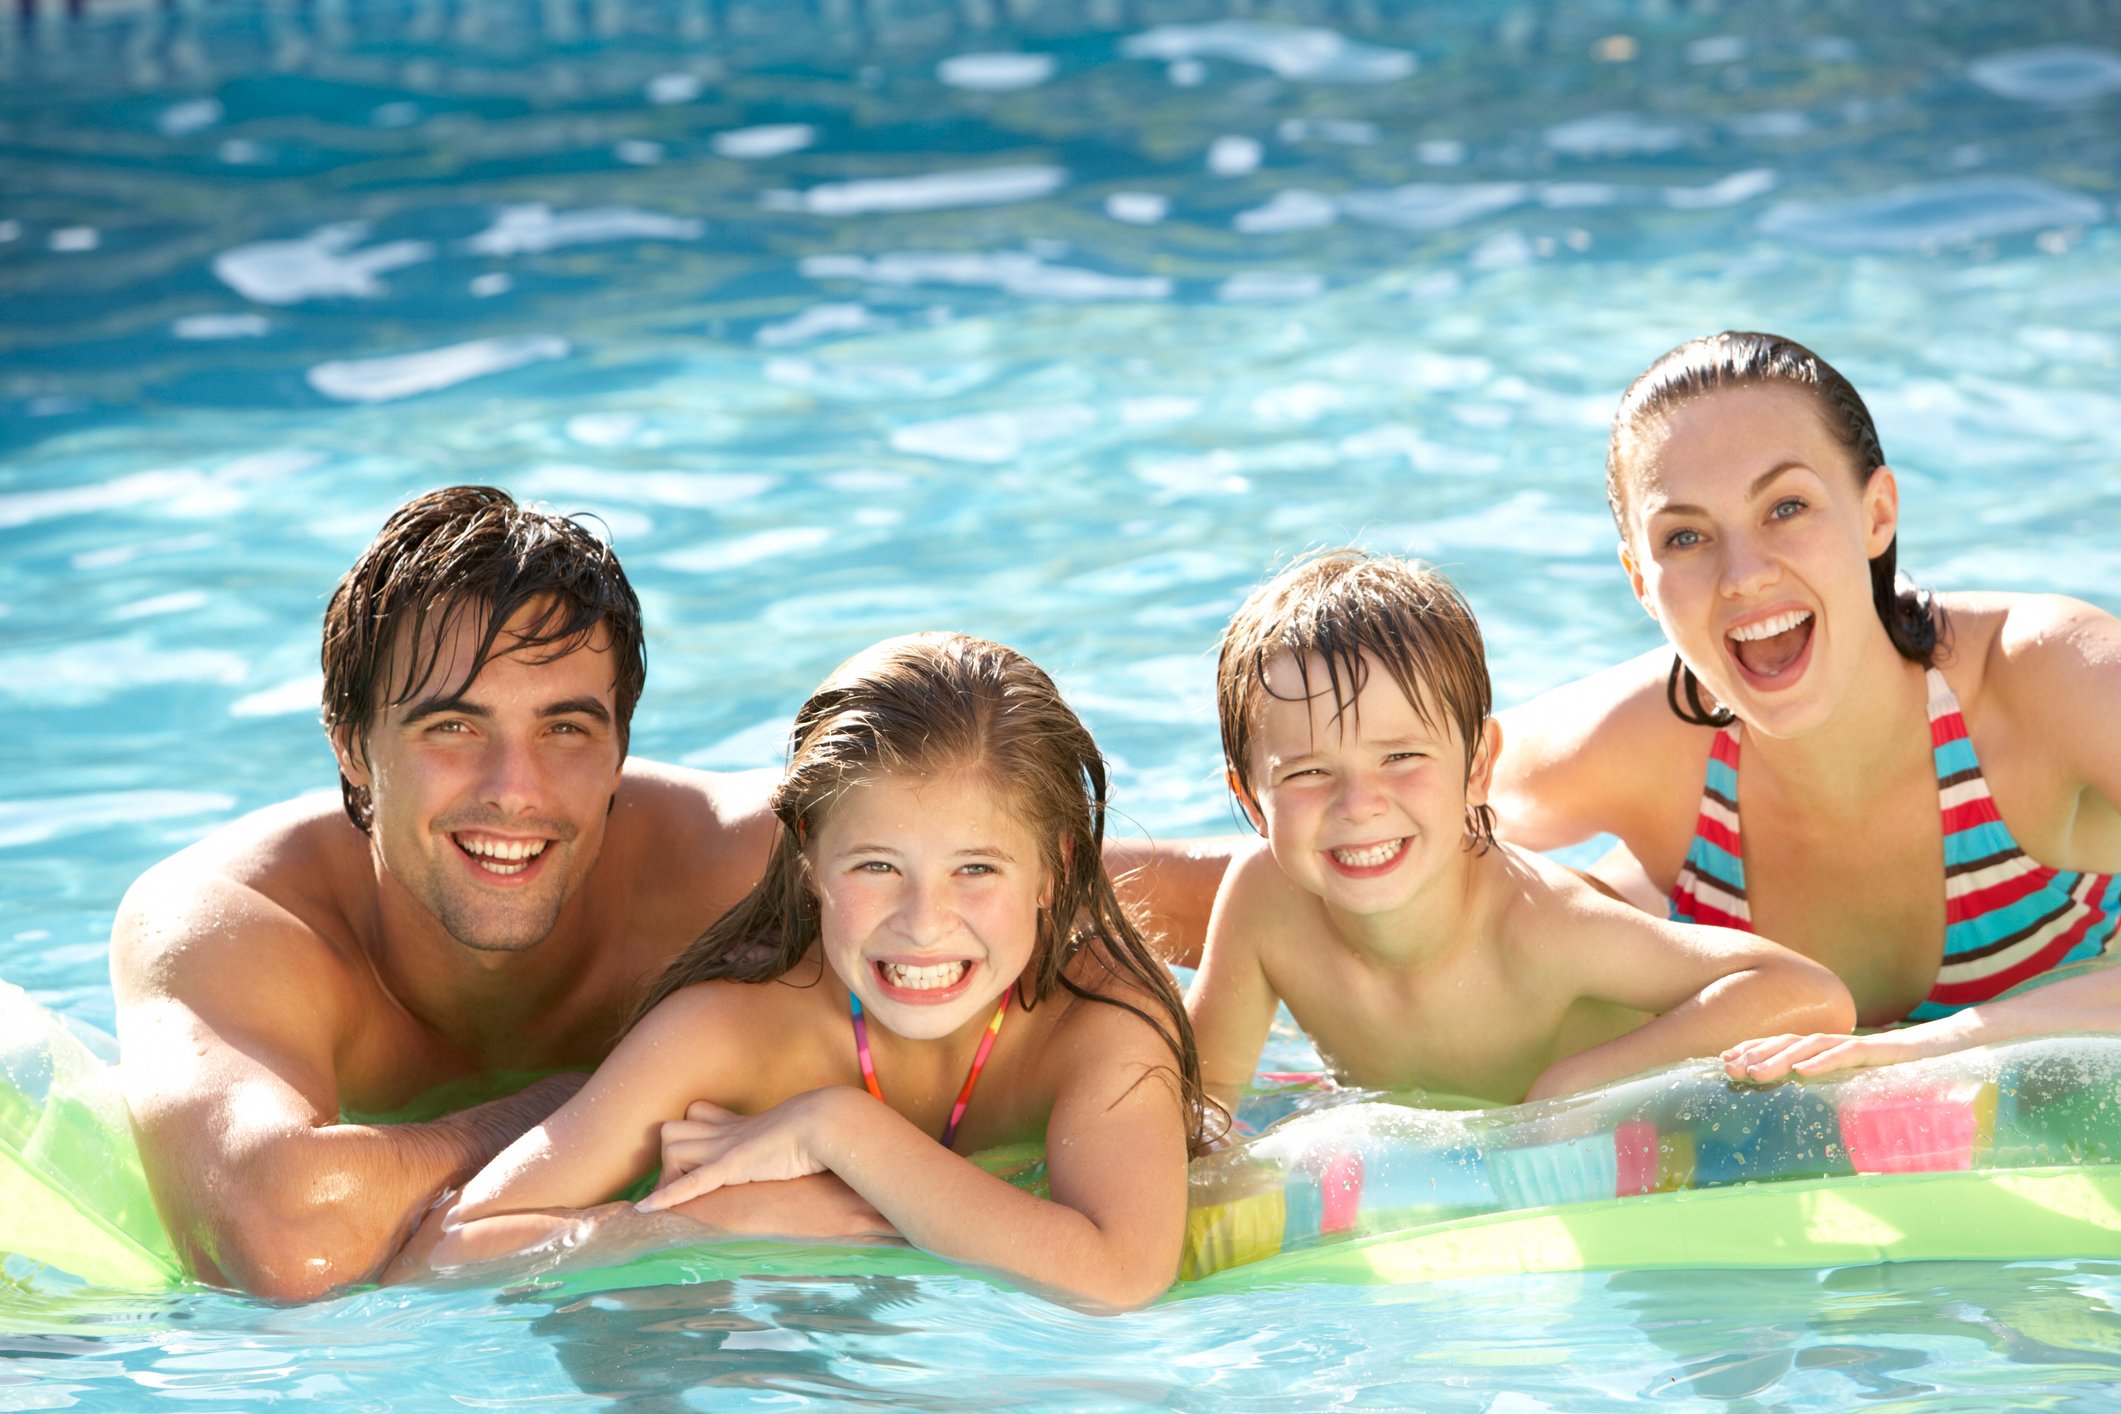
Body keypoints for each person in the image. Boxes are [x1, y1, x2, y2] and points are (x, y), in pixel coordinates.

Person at [109, 487, 1219, 1302]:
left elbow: (1141, 886)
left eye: (566, 731)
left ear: (625, 747)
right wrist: (630, 1108)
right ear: (352, 746)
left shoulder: (768, 863)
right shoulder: (235, 920)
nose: (516, 792)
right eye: (453, 728)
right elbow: (286, 1238)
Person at [415, 633, 1211, 1311]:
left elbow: (1119, 1277)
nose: (924, 922)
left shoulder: (1096, 1019)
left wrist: (838, 1129)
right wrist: (707, 1223)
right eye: (874, 865)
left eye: (976, 868)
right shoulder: (734, 1030)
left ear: (1053, 869)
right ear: (807, 858)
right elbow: (444, 1254)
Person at [1490, 331, 2121, 1082]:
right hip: (1685, 896)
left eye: (1785, 506)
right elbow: (1389, 792)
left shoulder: (2041, 676)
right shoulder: (1635, 746)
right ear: (1638, 580)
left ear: (1876, 513)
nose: (1743, 575)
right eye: (1684, 536)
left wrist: (1917, 1052)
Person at [1187, 549, 1851, 1111]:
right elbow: (1207, 1096)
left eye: (1400, 757)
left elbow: (1806, 993)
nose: (1358, 804)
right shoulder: (1264, 901)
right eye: (1307, 772)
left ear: (1477, 768)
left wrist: (1573, 1087)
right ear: (1249, 798)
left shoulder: (1541, 926)